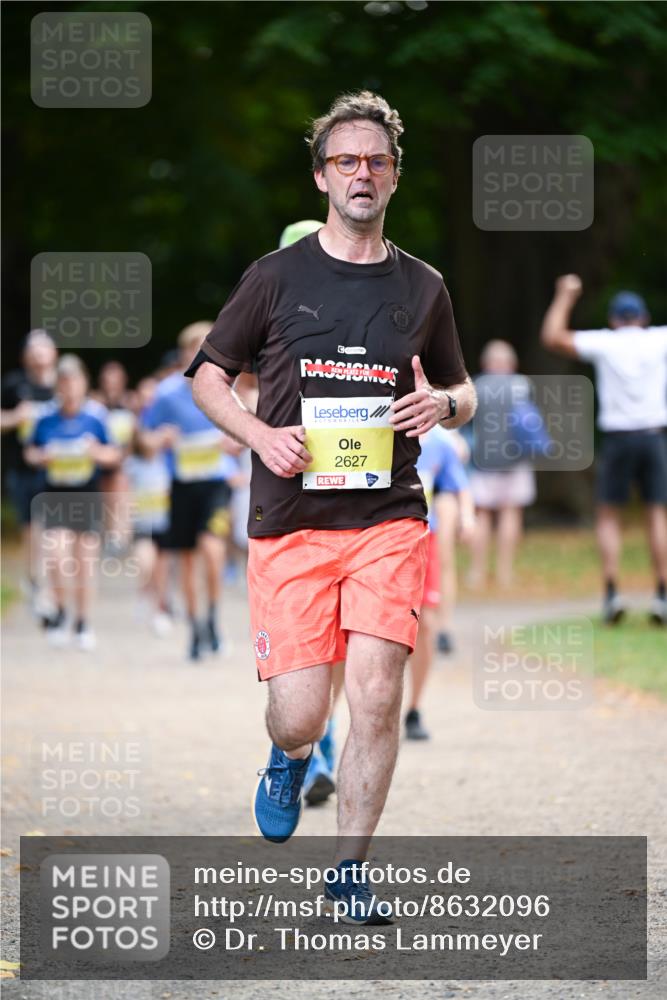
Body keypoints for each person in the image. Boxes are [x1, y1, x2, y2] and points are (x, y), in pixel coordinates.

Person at [187, 91, 476, 923]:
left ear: (394, 177)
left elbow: (462, 390)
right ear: (321, 176)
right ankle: (287, 757)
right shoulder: (274, 276)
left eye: (376, 161)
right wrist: (258, 435)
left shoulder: (423, 286)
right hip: (291, 523)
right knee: (299, 714)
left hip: (388, 517)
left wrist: (442, 406)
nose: (361, 174)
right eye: (345, 160)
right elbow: (208, 377)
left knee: (377, 694)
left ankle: (349, 871)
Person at [541, 275, 667, 625]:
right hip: (654, 436)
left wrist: (565, 295)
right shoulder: (659, 339)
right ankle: (662, 594)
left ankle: (612, 592)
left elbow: (552, 336)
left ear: (614, 320)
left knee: (609, 515)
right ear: (643, 318)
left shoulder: (605, 342)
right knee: (657, 514)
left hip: (618, 438)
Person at [139, 322, 244, 660]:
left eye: (206, 348)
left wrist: (233, 442)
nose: (199, 354)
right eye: (193, 348)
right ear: (184, 353)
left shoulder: (225, 390)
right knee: (186, 559)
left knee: (212, 549)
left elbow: (245, 434)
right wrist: (160, 439)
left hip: (216, 483)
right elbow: (144, 438)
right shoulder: (166, 393)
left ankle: (212, 617)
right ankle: (196, 625)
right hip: (182, 484)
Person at [23, 354, 120, 650]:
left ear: (84, 383)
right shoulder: (45, 417)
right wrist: (42, 457)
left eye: (74, 381)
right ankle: (61, 610)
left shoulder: (96, 416)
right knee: (55, 556)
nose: (69, 388)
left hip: (87, 496)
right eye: (63, 382)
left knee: (84, 564)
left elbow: (114, 455)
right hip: (54, 495)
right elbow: (30, 453)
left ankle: (83, 623)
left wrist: (96, 453)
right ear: (58, 386)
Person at [407, 426, 474, 739]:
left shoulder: (440, 442)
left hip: (425, 537)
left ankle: (414, 708)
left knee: (426, 625)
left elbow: (460, 485)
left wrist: (468, 517)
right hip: (379, 537)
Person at [467, 340, 538, 590]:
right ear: (512, 364)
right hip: (515, 460)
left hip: (481, 461)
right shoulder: (521, 385)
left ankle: (477, 572)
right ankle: (505, 572)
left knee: (481, 514)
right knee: (511, 513)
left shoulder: (475, 387)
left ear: (485, 363)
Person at [1, 330, 58, 610]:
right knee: (34, 527)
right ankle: (37, 582)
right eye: (33, 349)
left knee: (53, 529)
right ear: (25, 356)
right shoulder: (14, 384)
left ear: (54, 353)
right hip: (22, 469)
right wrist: (15, 417)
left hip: (60, 470)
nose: (39, 354)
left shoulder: (64, 383)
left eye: (43, 348)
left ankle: (48, 586)